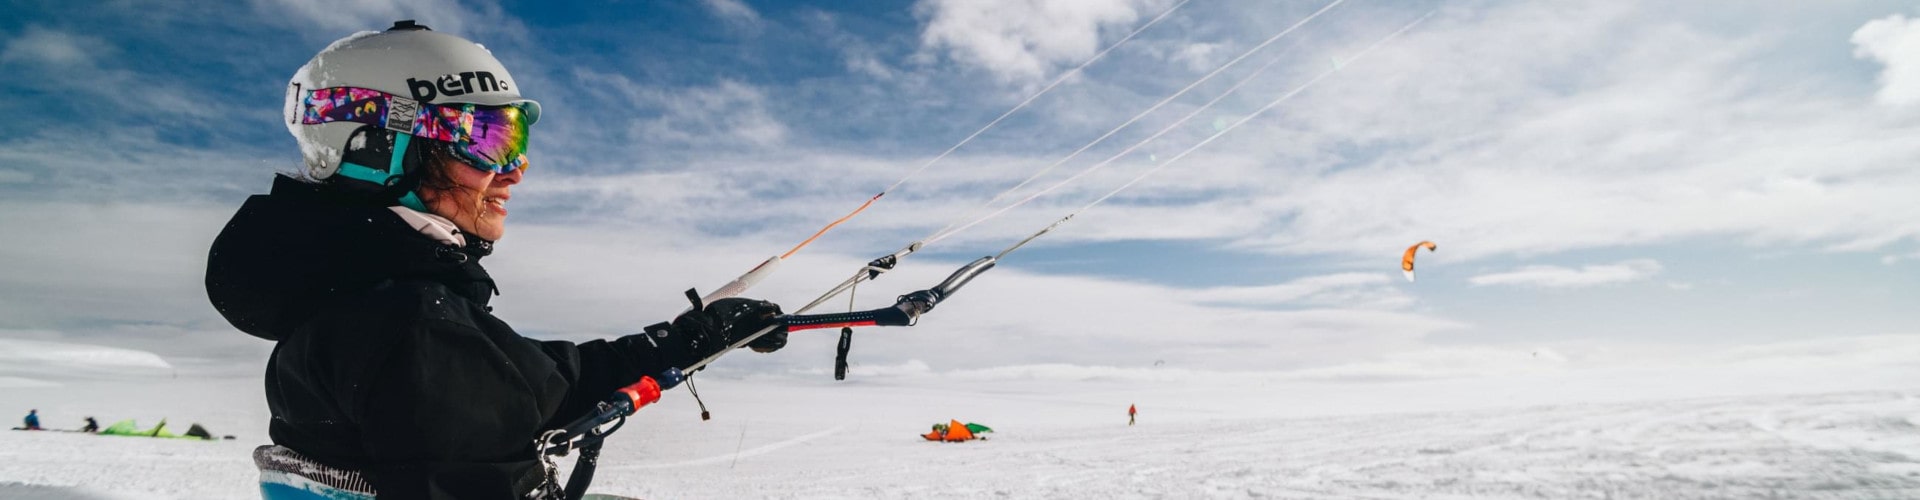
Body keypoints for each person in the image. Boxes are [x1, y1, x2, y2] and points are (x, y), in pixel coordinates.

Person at [205, 20, 789, 500]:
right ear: (380, 145)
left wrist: (683, 341)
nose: (513, 170)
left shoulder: (352, 300)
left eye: (516, 142)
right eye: (486, 140)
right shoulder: (411, 327)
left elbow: (532, 385)